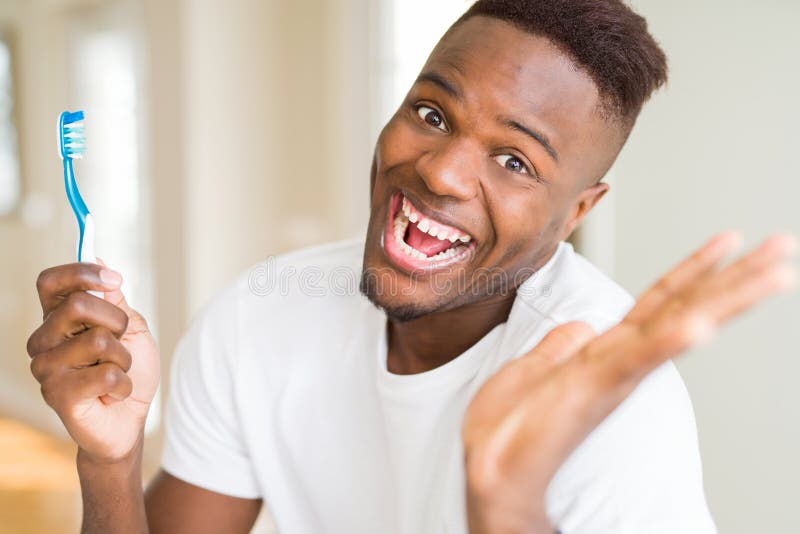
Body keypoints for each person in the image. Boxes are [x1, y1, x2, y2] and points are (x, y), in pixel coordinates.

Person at [26, 1, 797, 533]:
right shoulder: (260, 316)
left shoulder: (612, 396)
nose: (444, 173)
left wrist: (509, 511)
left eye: (515, 161)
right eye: (432, 113)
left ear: (577, 215)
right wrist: (110, 458)